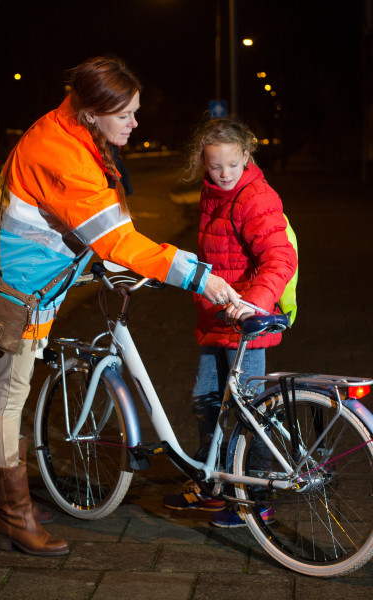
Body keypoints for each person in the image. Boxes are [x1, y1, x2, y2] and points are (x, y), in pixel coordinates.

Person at [0, 56, 239, 556]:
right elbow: (115, 238)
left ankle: (3, 504)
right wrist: (197, 276)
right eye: (125, 114)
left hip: (30, 284)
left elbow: (97, 220)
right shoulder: (61, 154)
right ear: (91, 112)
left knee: (12, 393)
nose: (134, 123)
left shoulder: (74, 133)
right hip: (12, 294)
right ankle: (13, 518)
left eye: (135, 111)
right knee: (8, 395)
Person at [162, 118, 298, 527]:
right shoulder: (213, 194)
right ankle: (215, 483)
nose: (223, 174)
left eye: (231, 166)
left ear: (247, 157)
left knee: (246, 411)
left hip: (247, 323)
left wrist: (253, 303)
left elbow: (280, 259)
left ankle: (254, 499)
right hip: (217, 319)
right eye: (214, 166)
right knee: (207, 402)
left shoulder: (255, 197)